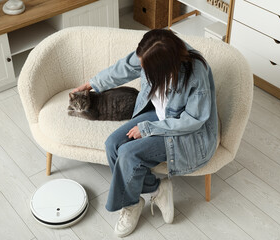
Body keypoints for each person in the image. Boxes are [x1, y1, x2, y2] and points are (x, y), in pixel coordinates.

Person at [72, 29, 218, 237]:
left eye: (145, 68)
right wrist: (93, 84)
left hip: (185, 132)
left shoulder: (196, 73)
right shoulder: (155, 49)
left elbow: (193, 121)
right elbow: (125, 67)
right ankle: (156, 189)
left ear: (163, 67)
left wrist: (148, 129)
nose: (141, 68)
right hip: (158, 114)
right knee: (112, 144)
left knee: (129, 154)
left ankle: (130, 205)